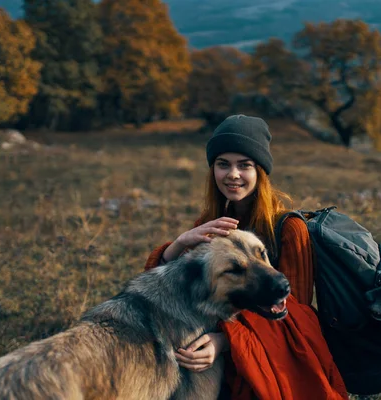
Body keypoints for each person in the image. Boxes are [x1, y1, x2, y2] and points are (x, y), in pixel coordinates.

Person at [144, 114, 348, 400]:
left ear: (260, 171)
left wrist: (224, 341)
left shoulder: (289, 228)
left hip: (265, 362)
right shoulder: (211, 222)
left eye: (245, 165)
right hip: (207, 353)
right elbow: (177, 287)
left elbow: (292, 315)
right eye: (223, 164)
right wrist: (179, 244)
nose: (233, 174)